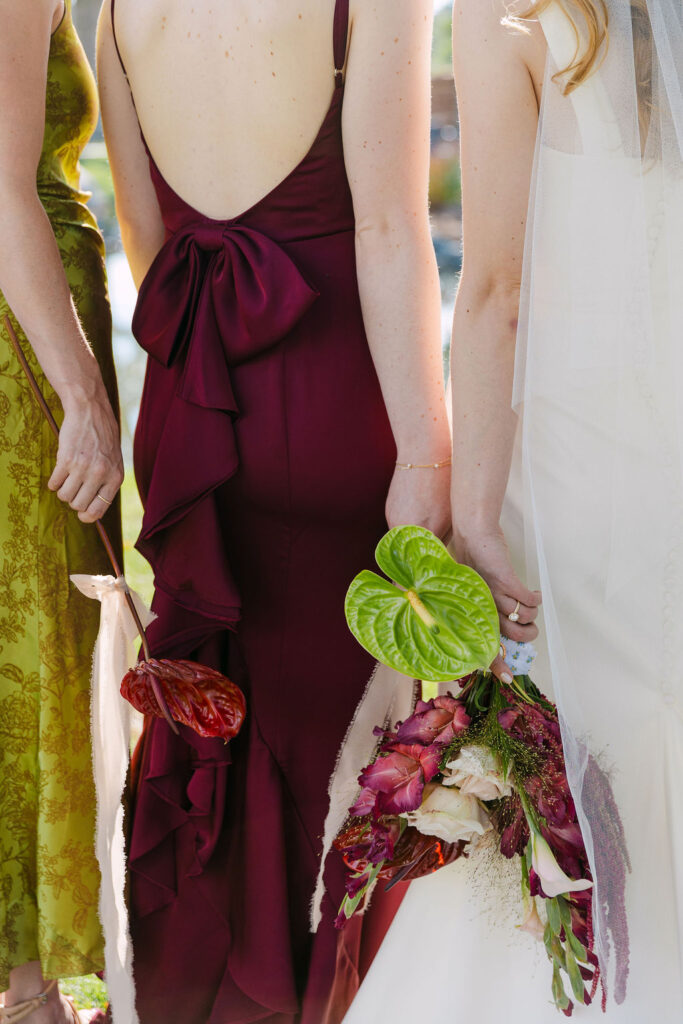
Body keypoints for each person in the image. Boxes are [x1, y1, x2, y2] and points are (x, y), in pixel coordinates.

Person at [96, 1, 450, 1021]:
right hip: (337, 388)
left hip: (194, 415)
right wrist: (427, 449)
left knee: (219, 729)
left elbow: (149, 241)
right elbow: (388, 227)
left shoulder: (120, 11)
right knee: (350, 748)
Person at [343, 0, 683, 1020]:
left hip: (576, 485)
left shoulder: (515, 17)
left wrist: (476, 517)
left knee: (590, 786)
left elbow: (492, 288)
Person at [0, 1, 124, 1022]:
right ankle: (31, 990)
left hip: (29, 322)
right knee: (42, 635)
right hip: (26, 339)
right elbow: (2, 188)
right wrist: (80, 390)